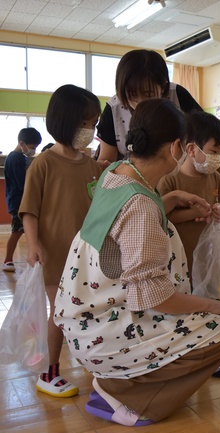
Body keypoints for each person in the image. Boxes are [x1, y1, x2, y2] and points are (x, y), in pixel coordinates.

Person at [55, 98, 220, 427]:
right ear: (178, 147)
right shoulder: (142, 207)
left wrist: (172, 199)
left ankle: (117, 381)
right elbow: (152, 297)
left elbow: (124, 225)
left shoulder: (116, 173)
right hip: (103, 329)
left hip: (84, 317)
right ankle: (127, 396)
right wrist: (212, 306)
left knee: (204, 315)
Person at [19, 84, 103, 398]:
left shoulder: (90, 165)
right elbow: (29, 210)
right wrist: (33, 244)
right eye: (85, 123)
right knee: (61, 311)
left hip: (86, 257)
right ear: (65, 121)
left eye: (93, 124)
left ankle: (94, 363)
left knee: (86, 310)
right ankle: (49, 372)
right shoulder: (43, 164)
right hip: (55, 255)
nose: (90, 130)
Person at [158, 110, 220, 280]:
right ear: (191, 149)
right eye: (214, 152)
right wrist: (195, 213)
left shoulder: (217, 180)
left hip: (210, 258)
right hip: (179, 257)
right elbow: (163, 217)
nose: (218, 158)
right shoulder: (170, 180)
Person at [96, 49, 202, 163]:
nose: (141, 103)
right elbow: (106, 161)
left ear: (163, 88)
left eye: (149, 94)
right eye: (132, 94)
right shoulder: (114, 109)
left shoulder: (177, 94)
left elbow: (205, 132)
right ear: (122, 90)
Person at [3, 127, 42, 272]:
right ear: (22, 143)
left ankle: (36, 256)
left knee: (32, 230)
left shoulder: (23, 158)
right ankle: (7, 260)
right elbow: (22, 183)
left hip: (25, 200)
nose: (33, 150)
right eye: (32, 147)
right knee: (17, 231)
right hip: (18, 201)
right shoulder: (14, 158)